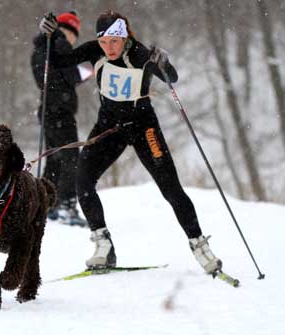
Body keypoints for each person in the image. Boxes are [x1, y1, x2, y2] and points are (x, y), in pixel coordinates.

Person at [38, 10, 223, 274]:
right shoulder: (95, 50)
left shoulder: (140, 54)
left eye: (114, 41)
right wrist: (48, 34)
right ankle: (103, 246)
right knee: (83, 180)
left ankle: (200, 246)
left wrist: (164, 63)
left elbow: (172, 78)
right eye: (104, 42)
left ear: (124, 36)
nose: (109, 48)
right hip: (109, 127)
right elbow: (58, 59)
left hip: (143, 127)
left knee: (171, 189)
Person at [31, 11, 90, 227]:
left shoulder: (45, 46)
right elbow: (68, 75)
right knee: (71, 158)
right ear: (67, 30)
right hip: (59, 112)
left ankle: (46, 205)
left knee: (55, 159)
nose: (75, 39)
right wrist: (86, 71)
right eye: (74, 33)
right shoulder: (59, 44)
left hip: (49, 111)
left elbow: (51, 76)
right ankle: (66, 205)